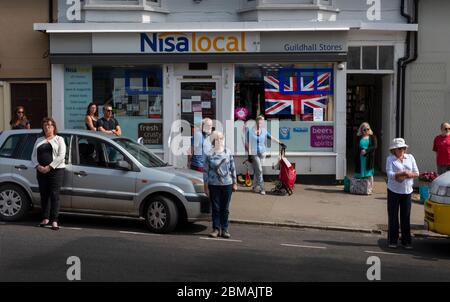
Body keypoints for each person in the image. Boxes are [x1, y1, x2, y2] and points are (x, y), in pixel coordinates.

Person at [31, 117, 66, 231]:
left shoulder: (59, 139)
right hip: (41, 171)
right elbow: (33, 156)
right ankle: (45, 218)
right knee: (44, 195)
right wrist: (38, 166)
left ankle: (54, 220)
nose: (47, 127)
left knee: (54, 195)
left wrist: (49, 167)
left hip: (55, 171)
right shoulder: (39, 140)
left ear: (54, 127)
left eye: (50, 125)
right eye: (45, 125)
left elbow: (61, 156)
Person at [386, 138, 419, 249]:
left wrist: (409, 174)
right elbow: (389, 173)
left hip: (407, 190)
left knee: (406, 216)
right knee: (393, 216)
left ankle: (406, 241)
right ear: (394, 150)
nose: (401, 150)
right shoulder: (390, 159)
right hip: (393, 190)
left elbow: (417, 172)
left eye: (403, 148)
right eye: (399, 148)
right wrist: (399, 174)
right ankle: (393, 240)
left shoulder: (410, 157)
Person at [203, 131, 237, 239]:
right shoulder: (209, 153)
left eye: (221, 138)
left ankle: (225, 229)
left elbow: (233, 168)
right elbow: (205, 171)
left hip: (227, 184)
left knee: (225, 208)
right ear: (213, 141)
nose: (219, 141)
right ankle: (216, 229)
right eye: (217, 139)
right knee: (216, 208)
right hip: (214, 184)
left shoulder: (228, 152)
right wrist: (205, 186)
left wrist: (235, 183)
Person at [246, 115, 286, 195]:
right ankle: (262, 188)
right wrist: (249, 155)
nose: (263, 122)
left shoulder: (264, 131)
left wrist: (280, 143)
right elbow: (248, 144)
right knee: (260, 170)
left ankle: (254, 187)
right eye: (262, 120)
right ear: (258, 121)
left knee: (257, 170)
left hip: (262, 152)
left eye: (263, 121)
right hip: (254, 153)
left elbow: (271, 138)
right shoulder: (250, 131)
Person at [354, 122, 377, 188]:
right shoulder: (359, 137)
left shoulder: (372, 137)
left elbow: (375, 146)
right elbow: (356, 146)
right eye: (364, 129)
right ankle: (361, 188)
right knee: (360, 173)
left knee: (369, 174)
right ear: (361, 130)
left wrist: (366, 151)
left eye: (368, 129)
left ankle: (370, 188)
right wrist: (361, 150)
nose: (366, 131)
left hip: (369, 158)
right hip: (361, 157)